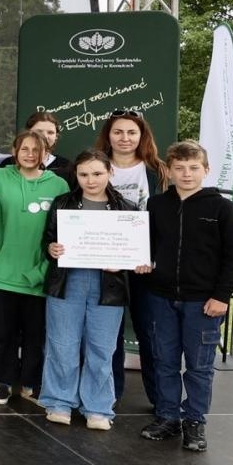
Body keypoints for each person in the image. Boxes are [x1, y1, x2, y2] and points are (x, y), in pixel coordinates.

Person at [139, 141, 233, 453]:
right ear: (169, 171)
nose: (187, 174)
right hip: (160, 298)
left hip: (203, 302)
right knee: (165, 361)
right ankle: (168, 417)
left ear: (206, 170)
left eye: (193, 168)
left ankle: (195, 421)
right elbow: (146, 246)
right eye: (180, 168)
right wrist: (142, 262)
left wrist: (221, 296)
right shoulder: (157, 206)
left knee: (199, 366)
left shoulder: (222, 209)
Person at [38, 149, 133, 430]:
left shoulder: (127, 208)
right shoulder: (62, 203)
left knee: (102, 349)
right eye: (83, 174)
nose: (90, 180)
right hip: (68, 282)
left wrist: (124, 263)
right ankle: (59, 402)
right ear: (75, 175)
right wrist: (51, 248)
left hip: (109, 287)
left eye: (97, 173)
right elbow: (48, 240)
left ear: (109, 173)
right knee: (62, 345)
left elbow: (135, 251)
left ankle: (98, 407)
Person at [0, 129, 69, 405]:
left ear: (45, 153)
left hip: (39, 273)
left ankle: (31, 381)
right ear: (15, 151)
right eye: (24, 149)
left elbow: (61, 231)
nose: (30, 154)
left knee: (35, 332)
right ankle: (3, 381)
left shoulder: (58, 185)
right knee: (4, 331)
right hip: (2, 271)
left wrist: (44, 267)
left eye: (36, 150)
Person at [95, 109, 168, 409]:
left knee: (150, 334)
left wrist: (153, 258)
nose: (124, 138)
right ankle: (109, 396)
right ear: (108, 135)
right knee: (107, 336)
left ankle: (161, 400)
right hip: (104, 263)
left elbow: (165, 222)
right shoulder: (93, 167)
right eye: (118, 132)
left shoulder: (158, 171)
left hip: (143, 266)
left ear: (142, 136)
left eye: (131, 132)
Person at [0, 111, 73, 184]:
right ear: (28, 132)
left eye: (50, 132)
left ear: (56, 136)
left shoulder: (65, 166)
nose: (45, 136)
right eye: (39, 131)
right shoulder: (9, 163)